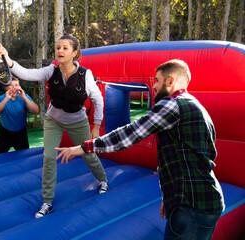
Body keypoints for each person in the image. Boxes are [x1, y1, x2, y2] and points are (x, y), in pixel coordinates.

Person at [55, 59, 225, 240]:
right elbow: (189, 158)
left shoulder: (172, 104)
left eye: (157, 80)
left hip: (192, 206)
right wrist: (171, 199)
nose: (154, 86)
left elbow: (130, 134)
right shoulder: (195, 105)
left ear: (170, 81)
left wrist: (83, 148)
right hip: (200, 201)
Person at [0, 35, 109, 219]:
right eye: (58, 48)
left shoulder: (85, 75)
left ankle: (103, 180)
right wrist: (7, 59)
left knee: (88, 153)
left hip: (77, 121)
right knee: (49, 157)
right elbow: (26, 73)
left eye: (65, 48)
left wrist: (96, 125)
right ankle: (47, 201)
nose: (60, 51)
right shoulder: (51, 70)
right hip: (53, 120)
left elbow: (98, 99)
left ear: (75, 53)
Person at [0, 78, 39, 154]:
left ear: (19, 87)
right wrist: (7, 98)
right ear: (6, 87)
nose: (14, 88)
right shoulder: (1, 98)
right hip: (5, 132)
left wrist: (24, 97)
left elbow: (36, 110)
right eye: (11, 85)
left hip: (21, 133)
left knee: (24, 158)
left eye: (16, 85)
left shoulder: (24, 97)